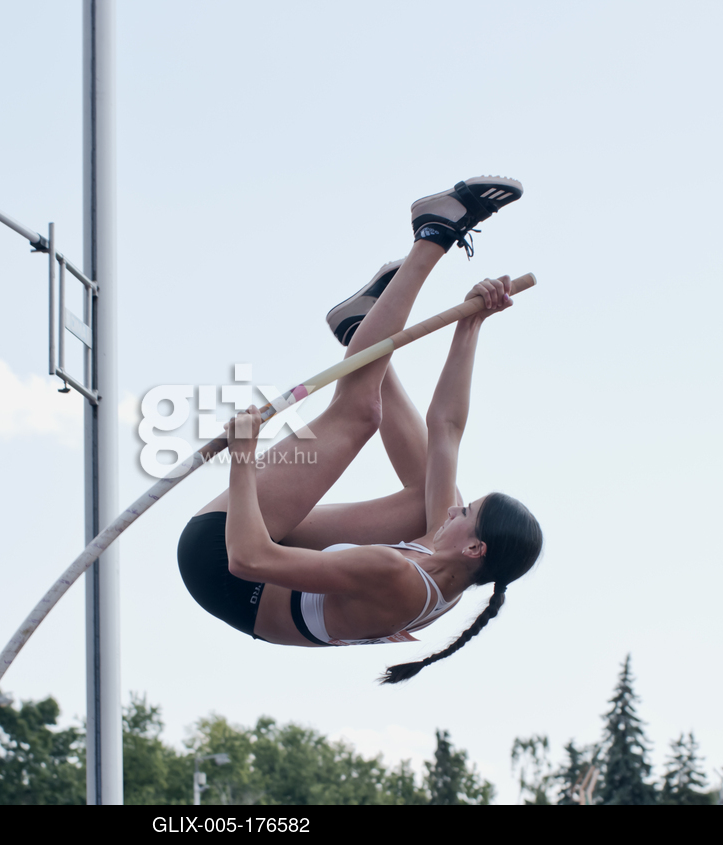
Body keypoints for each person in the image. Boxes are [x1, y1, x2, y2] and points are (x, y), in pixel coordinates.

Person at [176, 177, 543, 683]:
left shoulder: (397, 574)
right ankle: (364, 329)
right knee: (431, 488)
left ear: (475, 548)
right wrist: (471, 324)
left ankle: (433, 234)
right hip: (270, 564)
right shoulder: (451, 566)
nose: (452, 511)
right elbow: (446, 430)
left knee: (358, 414)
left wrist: (243, 457)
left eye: (465, 515)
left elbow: (247, 558)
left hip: (222, 562)